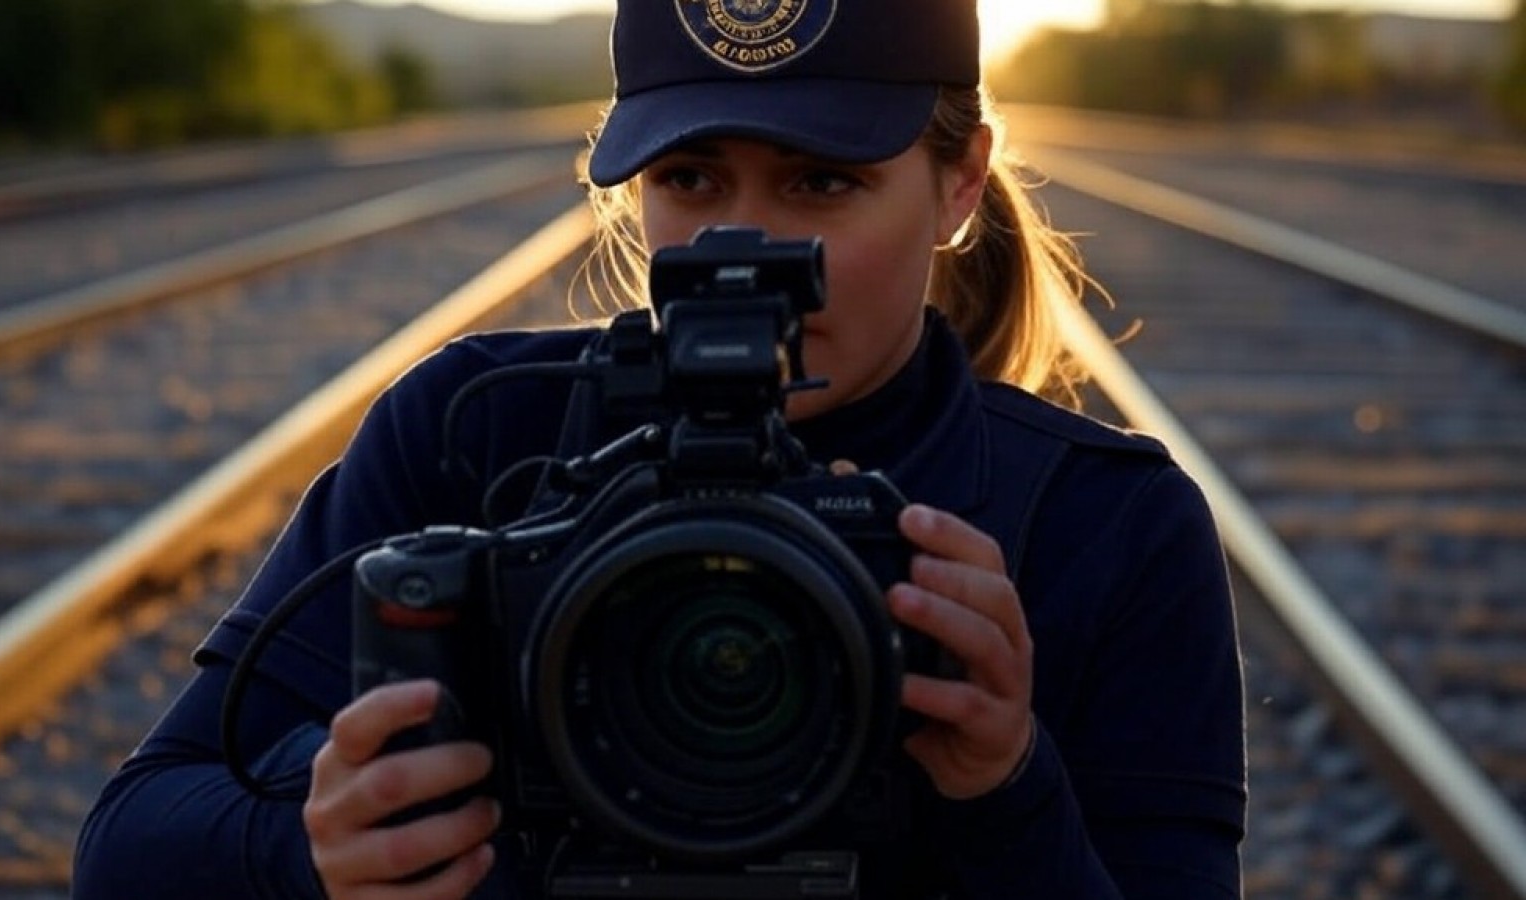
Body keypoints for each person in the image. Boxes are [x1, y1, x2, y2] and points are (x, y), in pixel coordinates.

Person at [73, 0, 1247, 896]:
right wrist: (311, 844)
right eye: (689, 177)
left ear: (958, 186)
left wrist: (1004, 785)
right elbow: (130, 845)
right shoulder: (476, 432)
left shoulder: (1103, 525)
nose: (744, 240)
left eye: (823, 181)